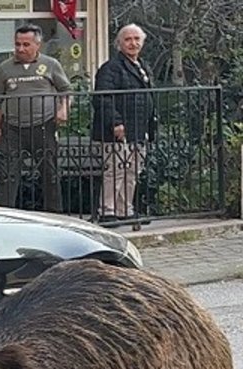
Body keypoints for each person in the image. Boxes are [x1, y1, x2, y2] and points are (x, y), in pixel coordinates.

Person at [0, 23, 71, 212]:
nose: (20, 49)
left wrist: (63, 109)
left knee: (49, 174)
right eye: (17, 44)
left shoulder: (50, 64)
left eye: (26, 45)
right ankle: (4, 216)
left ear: (37, 45)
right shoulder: (5, 68)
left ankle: (55, 215)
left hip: (43, 126)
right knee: (7, 176)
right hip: (12, 128)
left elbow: (66, 90)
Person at [92, 23, 157, 224]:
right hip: (116, 131)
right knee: (115, 170)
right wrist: (116, 122)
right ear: (119, 43)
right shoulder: (111, 68)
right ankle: (108, 210)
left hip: (138, 129)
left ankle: (125, 209)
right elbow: (102, 98)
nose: (133, 43)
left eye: (137, 39)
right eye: (128, 39)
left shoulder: (143, 66)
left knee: (132, 171)